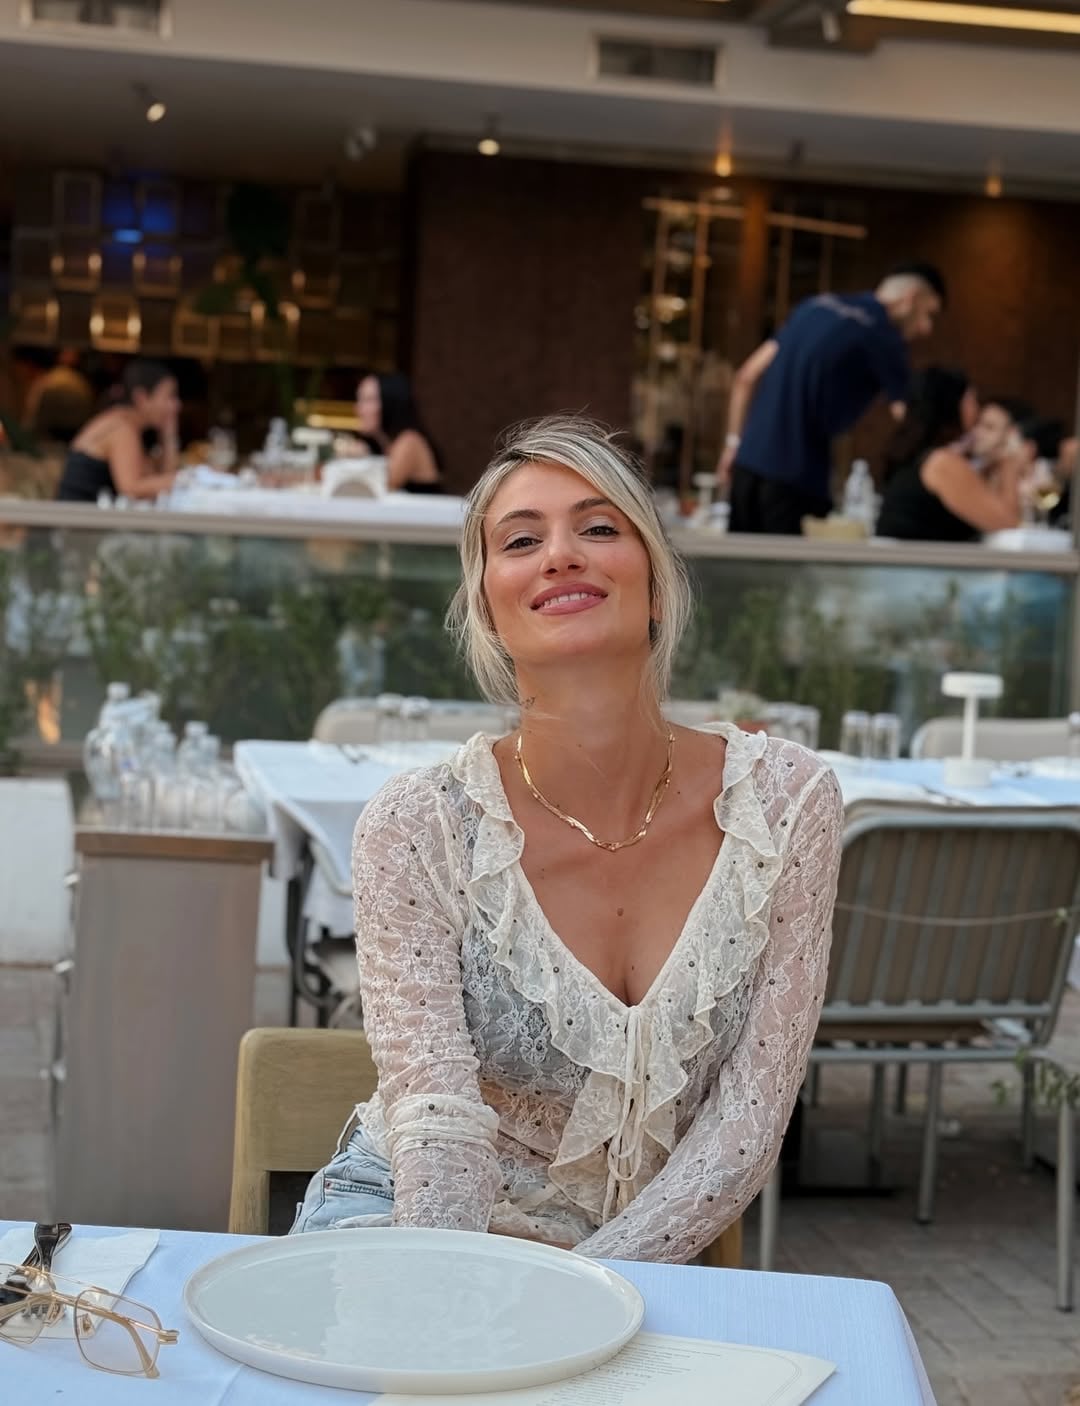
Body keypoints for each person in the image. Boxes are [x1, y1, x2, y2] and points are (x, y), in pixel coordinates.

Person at [291, 415, 842, 1262]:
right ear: (488, 610)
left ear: (656, 585)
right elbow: (437, 1122)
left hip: (637, 1261)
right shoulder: (418, 826)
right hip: (415, 1230)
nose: (560, 555)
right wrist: (458, 1303)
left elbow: (747, 1125)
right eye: (521, 540)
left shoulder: (786, 804)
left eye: (598, 528)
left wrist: (590, 1291)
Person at [718, 262, 947, 534]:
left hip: (747, 464)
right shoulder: (883, 334)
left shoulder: (814, 306)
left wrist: (733, 444)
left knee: (739, 559)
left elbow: (746, 376)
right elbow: (909, 418)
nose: (926, 329)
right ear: (911, 298)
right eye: (928, 314)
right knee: (785, 562)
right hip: (797, 475)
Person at [877, 368, 1022, 540]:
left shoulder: (919, 457)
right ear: (954, 406)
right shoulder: (942, 463)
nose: (977, 410)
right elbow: (1007, 525)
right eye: (972, 401)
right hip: (920, 557)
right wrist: (1009, 465)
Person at [56, 359, 181, 502]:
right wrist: (184, 480)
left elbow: (158, 480)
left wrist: (169, 436)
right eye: (170, 396)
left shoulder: (129, 426)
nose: (176, 405)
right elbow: (131, 488)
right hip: (73, 514)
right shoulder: (121, 427)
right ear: (142, 398)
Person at [355, 372, 442, 493]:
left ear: (389, 402)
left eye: (368, 400)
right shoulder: (387, 445)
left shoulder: (409, 441)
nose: (358, 408)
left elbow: (376, 489)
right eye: (359, 399)